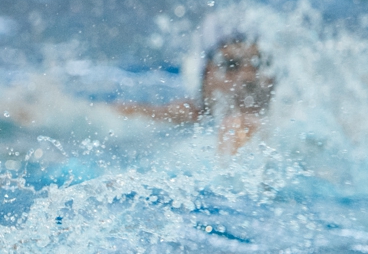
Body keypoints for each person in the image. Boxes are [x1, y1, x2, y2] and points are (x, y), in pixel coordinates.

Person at [117, 10, 273, 155]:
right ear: (205, 73)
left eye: (258, 64)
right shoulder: (180, 116)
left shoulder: (290, 116)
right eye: (230, 65)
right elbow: (102, 117)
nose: (248, 78)